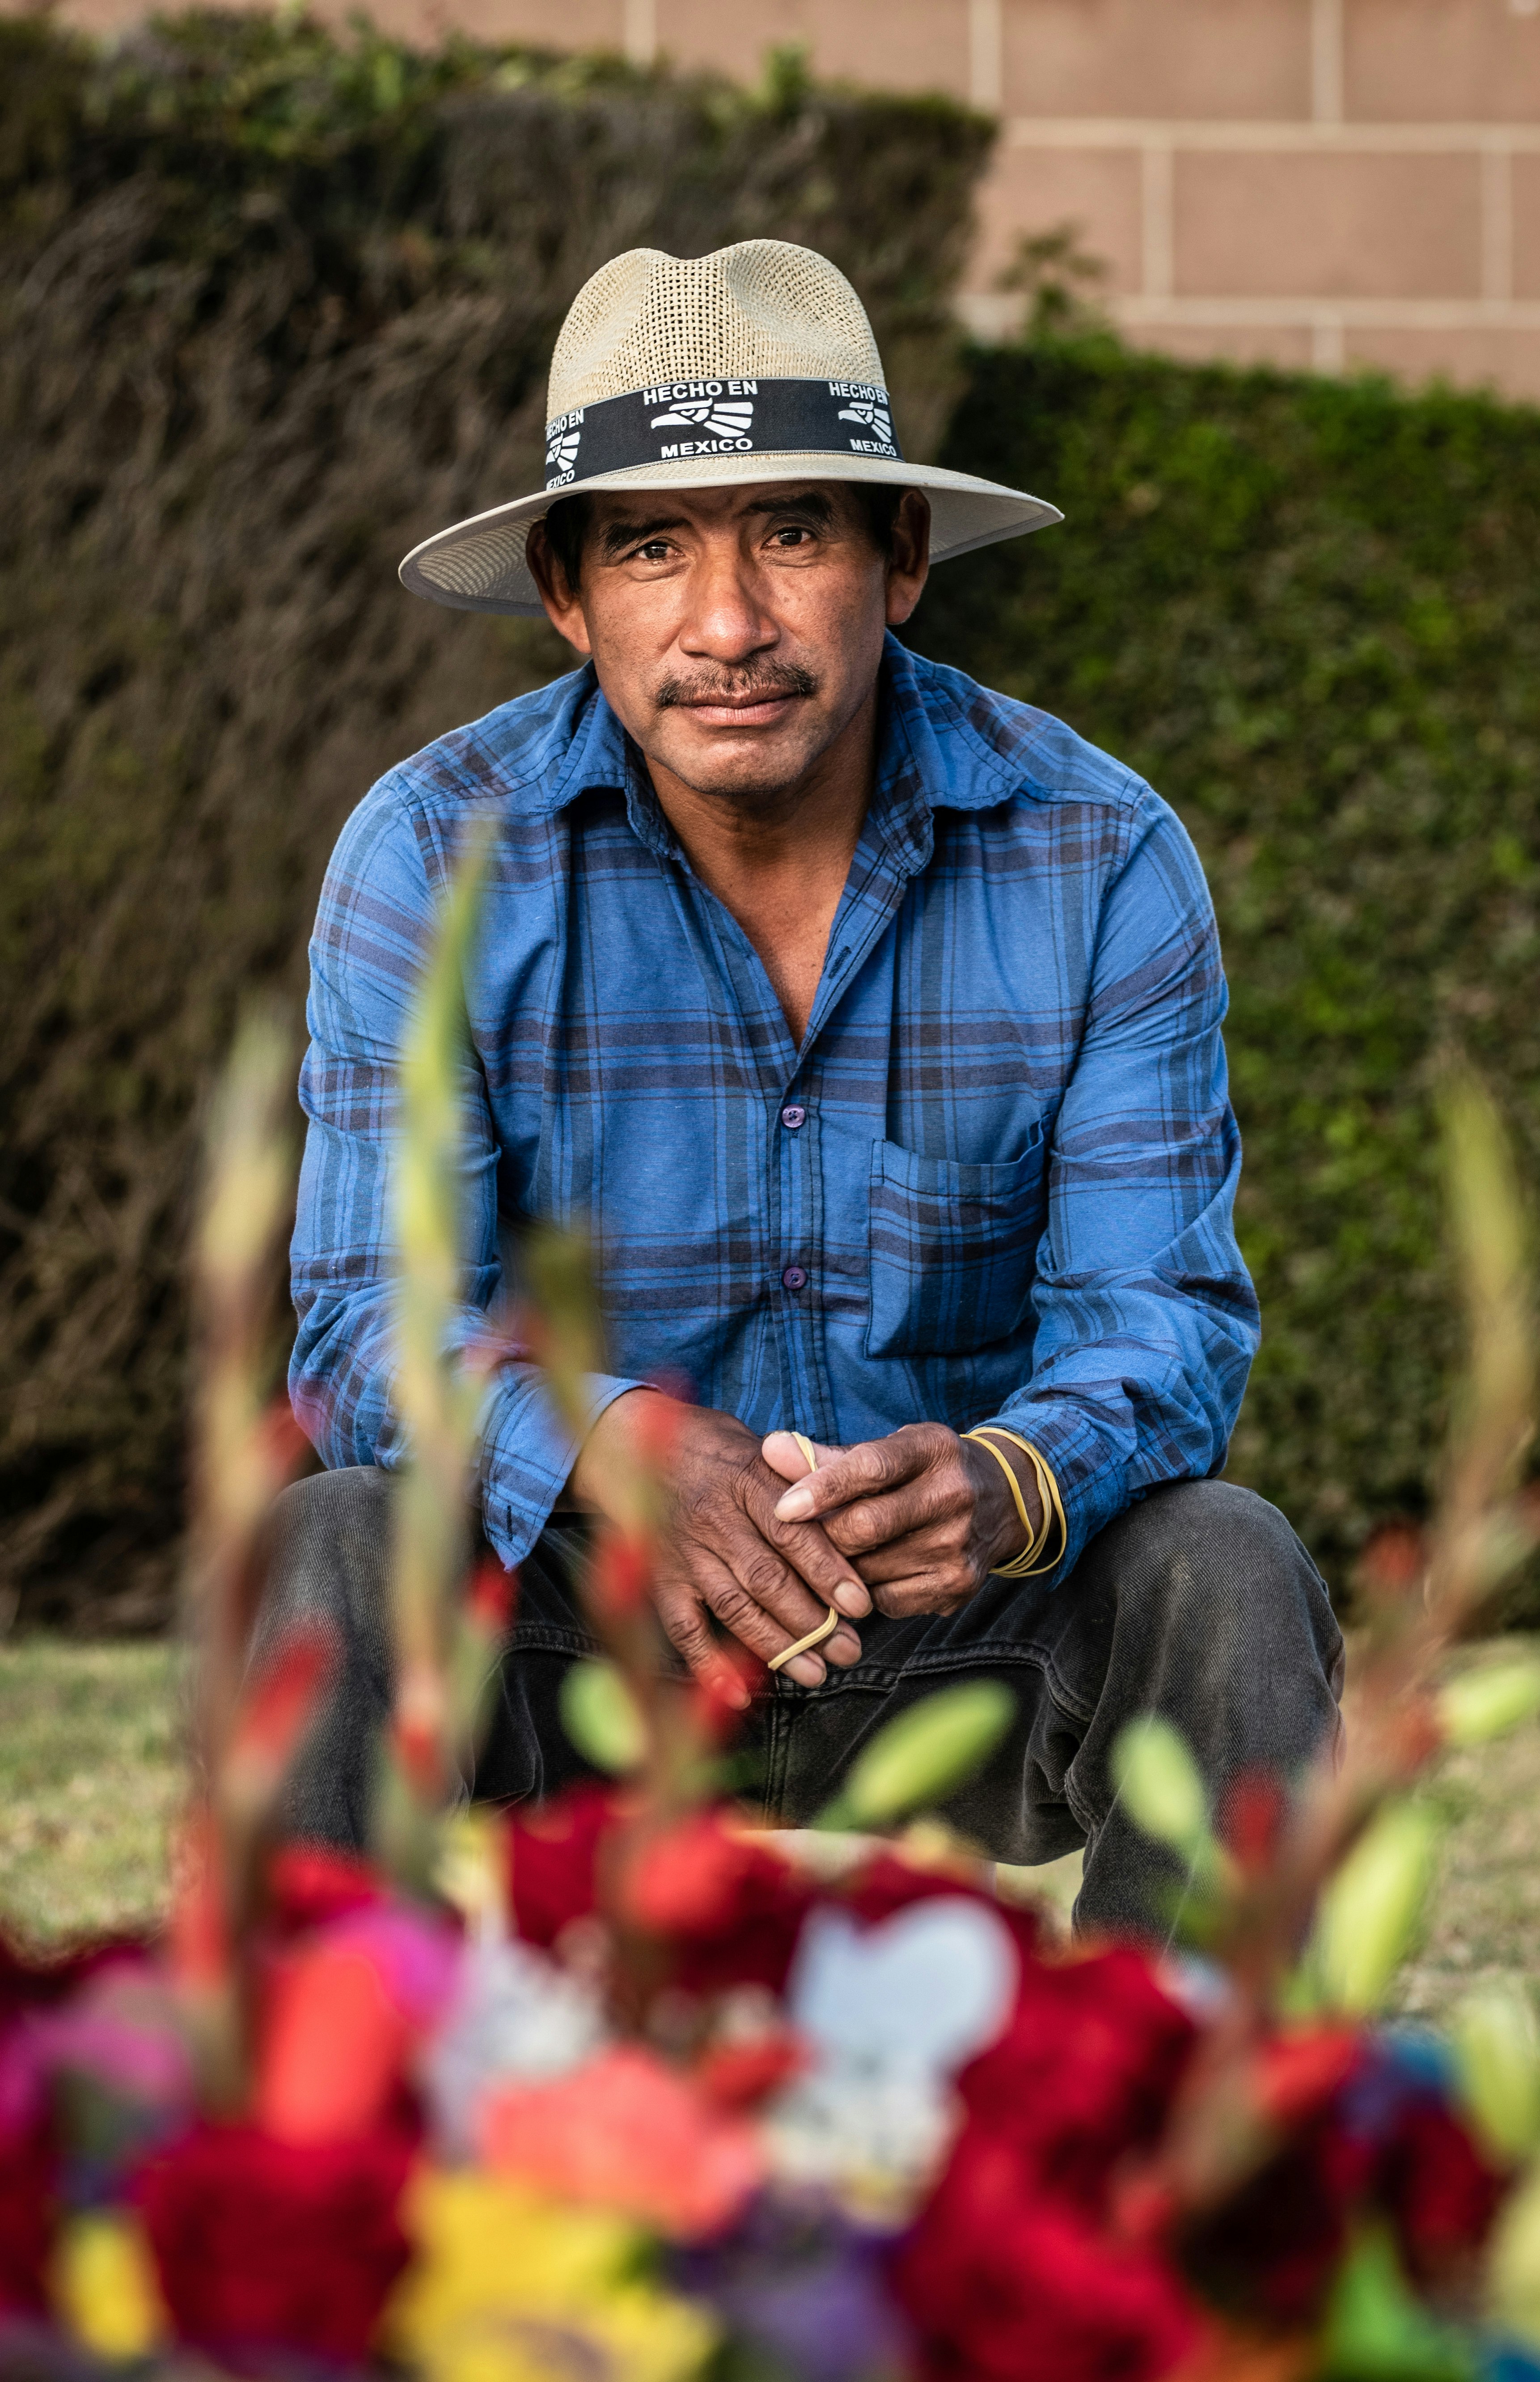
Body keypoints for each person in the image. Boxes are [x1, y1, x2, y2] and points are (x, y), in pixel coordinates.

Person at [273, 237, 1342, 1937]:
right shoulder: (433, 854)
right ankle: (300, 2152)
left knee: (1230, 1561)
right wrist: (613, 1446)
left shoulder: (1099, 853)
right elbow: (362, 1325)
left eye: (792, 533)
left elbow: (1167, 1321)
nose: (728, 624)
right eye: (651, 548)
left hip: (958, 1621)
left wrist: (1010, 1479)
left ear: (899, 555)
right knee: (329, 1540)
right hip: (584, 1618)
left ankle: (1183, 2140)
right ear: (569, 593)